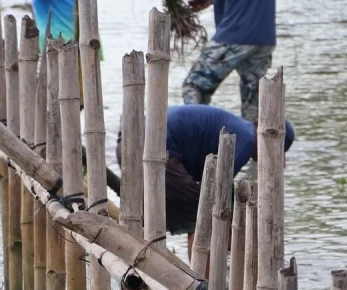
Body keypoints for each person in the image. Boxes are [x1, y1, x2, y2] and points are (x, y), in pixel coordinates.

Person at [115, 105, 295, 251]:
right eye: (278, 154)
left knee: (149, 212)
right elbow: (217, 189)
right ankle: (200, 282)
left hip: (128, 143)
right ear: (269, 140)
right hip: (153, 148)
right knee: (202, 213)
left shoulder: (241, 128)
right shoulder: (247, 139)